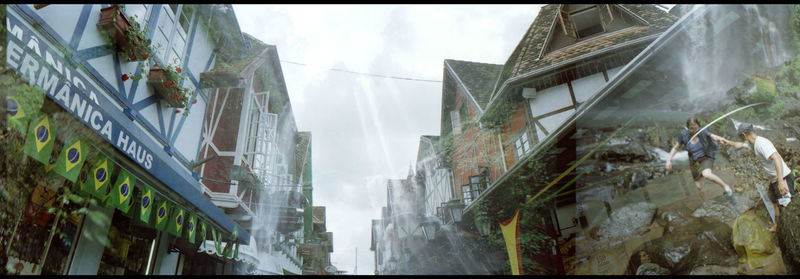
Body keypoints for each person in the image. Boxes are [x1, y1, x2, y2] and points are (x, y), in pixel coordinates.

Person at [720, 123, 795, 232]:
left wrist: (780, 182)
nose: (741, 139)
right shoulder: (752, 143)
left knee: (786, 207)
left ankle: (790, 234)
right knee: (773, 202)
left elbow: (777, 159)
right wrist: (728, 143)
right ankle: (777, 226)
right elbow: (740, 145)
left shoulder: (761, 144)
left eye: (741, 137)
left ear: (744, 135)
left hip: (783, 178)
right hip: (774, 180)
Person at [666, 117, 734, 201]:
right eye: (691, 129)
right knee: (699, 186)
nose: (694, 131)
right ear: (687, 127)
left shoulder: (702, 131)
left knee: (706, 174)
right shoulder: (683, 135)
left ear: (698, 126)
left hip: (706, 157)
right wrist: (669, 160)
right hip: (694, 161)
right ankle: (706, 202)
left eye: (696, 128)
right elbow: (676, 148)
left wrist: (720, 139)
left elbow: (713, 136)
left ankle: (725, 186)